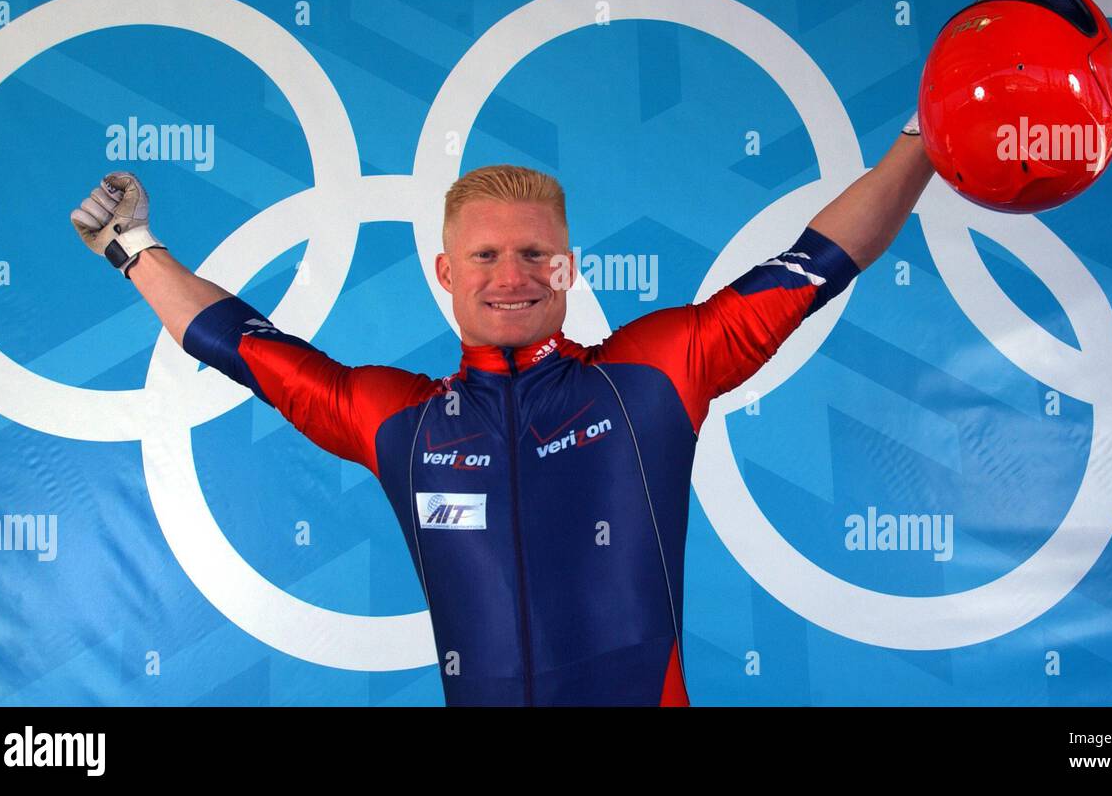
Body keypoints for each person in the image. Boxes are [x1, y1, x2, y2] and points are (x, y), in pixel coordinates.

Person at [71, 115, 934, 706]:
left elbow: (814, 263)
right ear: (447, 274)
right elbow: (245, 348)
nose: (511, 275)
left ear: (567, 268)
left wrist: (923, 144)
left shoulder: (652, 375)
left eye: (534, 253)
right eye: (484, 255)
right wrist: (133, 249)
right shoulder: (401, 422)